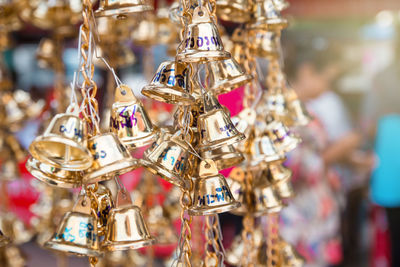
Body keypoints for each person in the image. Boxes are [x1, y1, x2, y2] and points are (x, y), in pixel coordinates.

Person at [364, 23, 400, 267]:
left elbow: (369, 125)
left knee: (395, 232)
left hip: (391, 153)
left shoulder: (382, 76)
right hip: (390, 153)